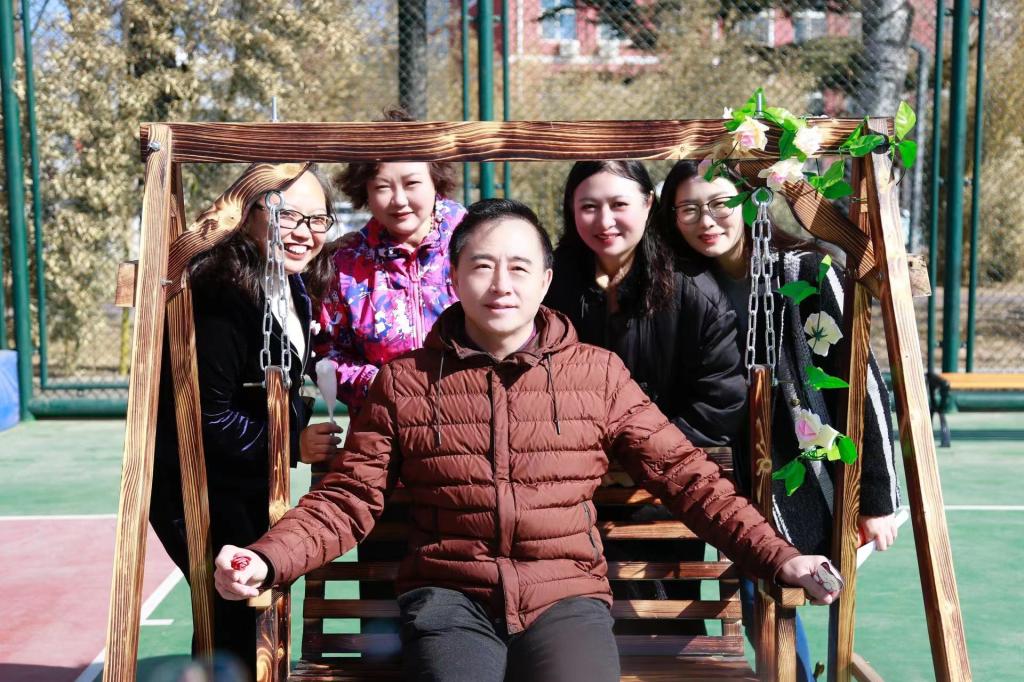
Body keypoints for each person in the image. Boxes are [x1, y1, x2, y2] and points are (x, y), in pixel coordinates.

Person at [214, 198, 843, 682]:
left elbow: (688, 477)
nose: (501, 285)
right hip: (450, 597)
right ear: (454, 277)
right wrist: (267, 558)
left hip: (565, 594)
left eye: (519, 268)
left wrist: (780, 557)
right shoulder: (405, 383)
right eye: (482, 266)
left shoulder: (596, 375)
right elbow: (347, 498)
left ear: (544, 281)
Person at [657, 160, 902, 681]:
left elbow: (859, 383)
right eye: (689, 209)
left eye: (720, 203)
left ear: (751, 202)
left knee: (767, 592)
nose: (707, 220)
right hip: (704, 459)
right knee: (685, 587)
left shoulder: (806, 271)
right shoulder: (674, 281)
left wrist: (877, 497)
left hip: (788, 459)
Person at [149, 163, 343, 675]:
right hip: (197, 487)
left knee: (252, 610)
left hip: (249, 479)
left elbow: (279, 382)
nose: (304, 232)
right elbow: (205, 417)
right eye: (287, 215)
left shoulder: (292, 285)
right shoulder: (218, 294)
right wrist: (292, 444)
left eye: (317, 219)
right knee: (231, 610)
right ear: (246, 213)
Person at [544, 160, 745, 632]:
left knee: (660, 625)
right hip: (570, 490)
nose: (605, 220)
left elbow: (720, 400)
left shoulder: (693, 289)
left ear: (649, 204)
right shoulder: (550, 285)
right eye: (588, 207)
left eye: (619, 204)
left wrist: (638, 458)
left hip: (663, 487)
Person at [316, 109, 466, 417]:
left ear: (435, 180)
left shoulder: (473, 242)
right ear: (365, 191)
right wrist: (382, 384)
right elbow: (327, 351)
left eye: (411, 183)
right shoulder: (345, 263)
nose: (399, 200)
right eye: (383, 187)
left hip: (467, 414)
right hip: (385, 419)